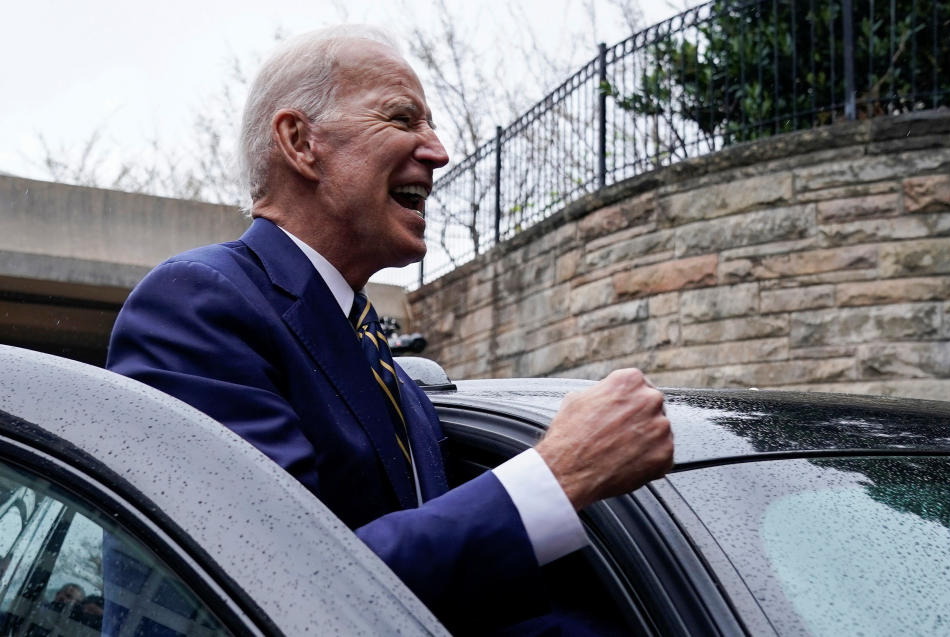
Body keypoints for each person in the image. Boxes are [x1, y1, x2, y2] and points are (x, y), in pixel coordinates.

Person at [106, 26, 672, 633]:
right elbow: (277, 586)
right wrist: (558, 474)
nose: (438, 151)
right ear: (300, 142)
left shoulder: (393, 376)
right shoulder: (196, 303)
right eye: (403, 119)